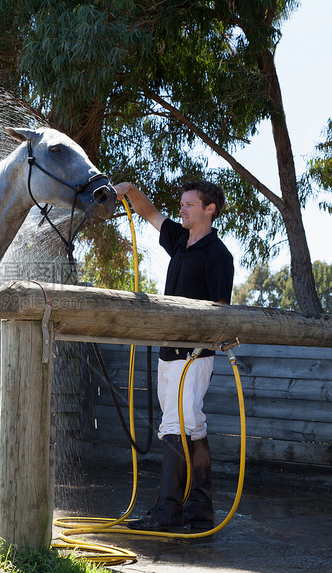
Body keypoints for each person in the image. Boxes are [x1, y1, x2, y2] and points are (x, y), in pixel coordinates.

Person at [115, 180, 234, 532]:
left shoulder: (218, 254)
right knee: (192, 425)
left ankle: (168, 510)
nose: (181, 209)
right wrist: (128, 190)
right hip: (169, 351)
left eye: (189, 205)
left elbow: (222, 310)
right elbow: (149, 212)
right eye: (181, 204)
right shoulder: (180, 242)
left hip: (194, 355)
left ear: (209, 210)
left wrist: (202, 346)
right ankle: (199, 507)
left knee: (176, 426)